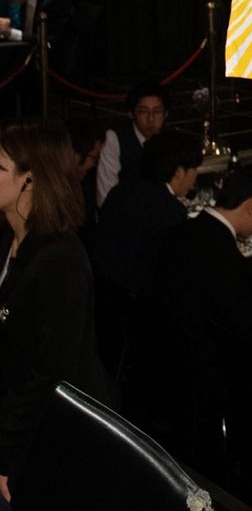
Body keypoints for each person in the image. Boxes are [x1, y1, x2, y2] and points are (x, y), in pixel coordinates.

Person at [0, 121, 112, 504]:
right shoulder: (9, 237)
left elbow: (48, 374)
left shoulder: (60, 259)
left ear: (30, 180)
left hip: (53, 435)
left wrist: (6, 456)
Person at [152, 165, 252, 479]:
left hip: (167, 347)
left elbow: (214, 275)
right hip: (207, 367)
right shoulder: (220, 248)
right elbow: (244, 320)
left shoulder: (190, 229)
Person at [92, 129, 202, 297]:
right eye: (195, 168)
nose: (196, 177)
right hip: (138, 301)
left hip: (103, 291)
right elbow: (171, 271)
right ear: (179, 172)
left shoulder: (121, 190)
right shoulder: (170, 211)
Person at [95, 82, 168, 207]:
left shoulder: (170, 137)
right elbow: (106, 197)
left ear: (166, 114)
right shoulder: (115, 138)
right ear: (131, 113)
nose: (151, 119)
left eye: (157, 112)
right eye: (143, 112)